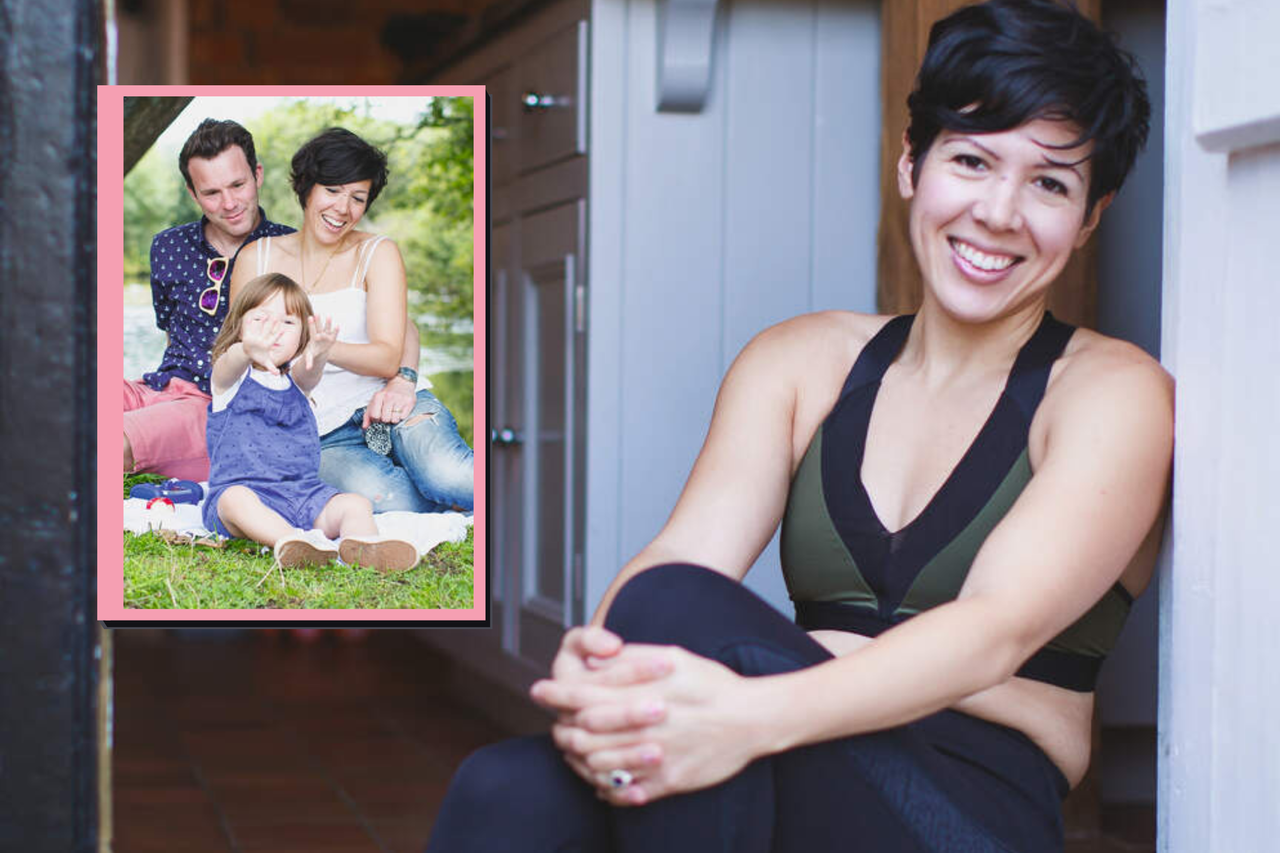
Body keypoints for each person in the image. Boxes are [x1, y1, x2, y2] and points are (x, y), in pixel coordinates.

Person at [426, 1, 1171, 850]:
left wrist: (746, 714)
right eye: (970, 160)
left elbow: (993, 631)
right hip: (790, 746)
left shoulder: (1111, 392)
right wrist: (599, 671)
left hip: (965, 811)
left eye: (1049, 182)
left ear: (1090, 217)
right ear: (910, 165)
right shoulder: (802, 362)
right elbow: (680, 559)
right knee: (506, 786)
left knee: (674, 625)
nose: (1000, 212)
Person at [229, 128, 474, 514]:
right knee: (392, 502)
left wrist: (313, 345)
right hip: (319, 430)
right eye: (332, 190)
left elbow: (386, 358)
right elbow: (242, 352)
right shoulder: (255, 259)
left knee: (448, 477)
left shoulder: (377, 252)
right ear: (307, 188)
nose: (343, 209)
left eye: (357, 198)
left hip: (392, 402)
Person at [203, 272, 419, 572]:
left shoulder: (295, 385)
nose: (273, 330)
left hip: (302, 495)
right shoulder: (232, 380)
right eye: (260, 319)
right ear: (239, 325)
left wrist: (318, 354)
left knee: (354, 504)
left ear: (301, 335)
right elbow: (226, 365)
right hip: (247, 494)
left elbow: (308, 375)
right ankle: (292, 543)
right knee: (233, 499)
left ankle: (365, 546)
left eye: (288, 323)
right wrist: (246, 349)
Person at [124, 118, 295, 481]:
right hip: (158, 387)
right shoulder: (168, 246)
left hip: (217, 404)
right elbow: (170, 330)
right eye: (212, 193)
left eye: (238, 184)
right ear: (192, 193)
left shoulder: (290, 249)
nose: (229, 203)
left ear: (258, 175)